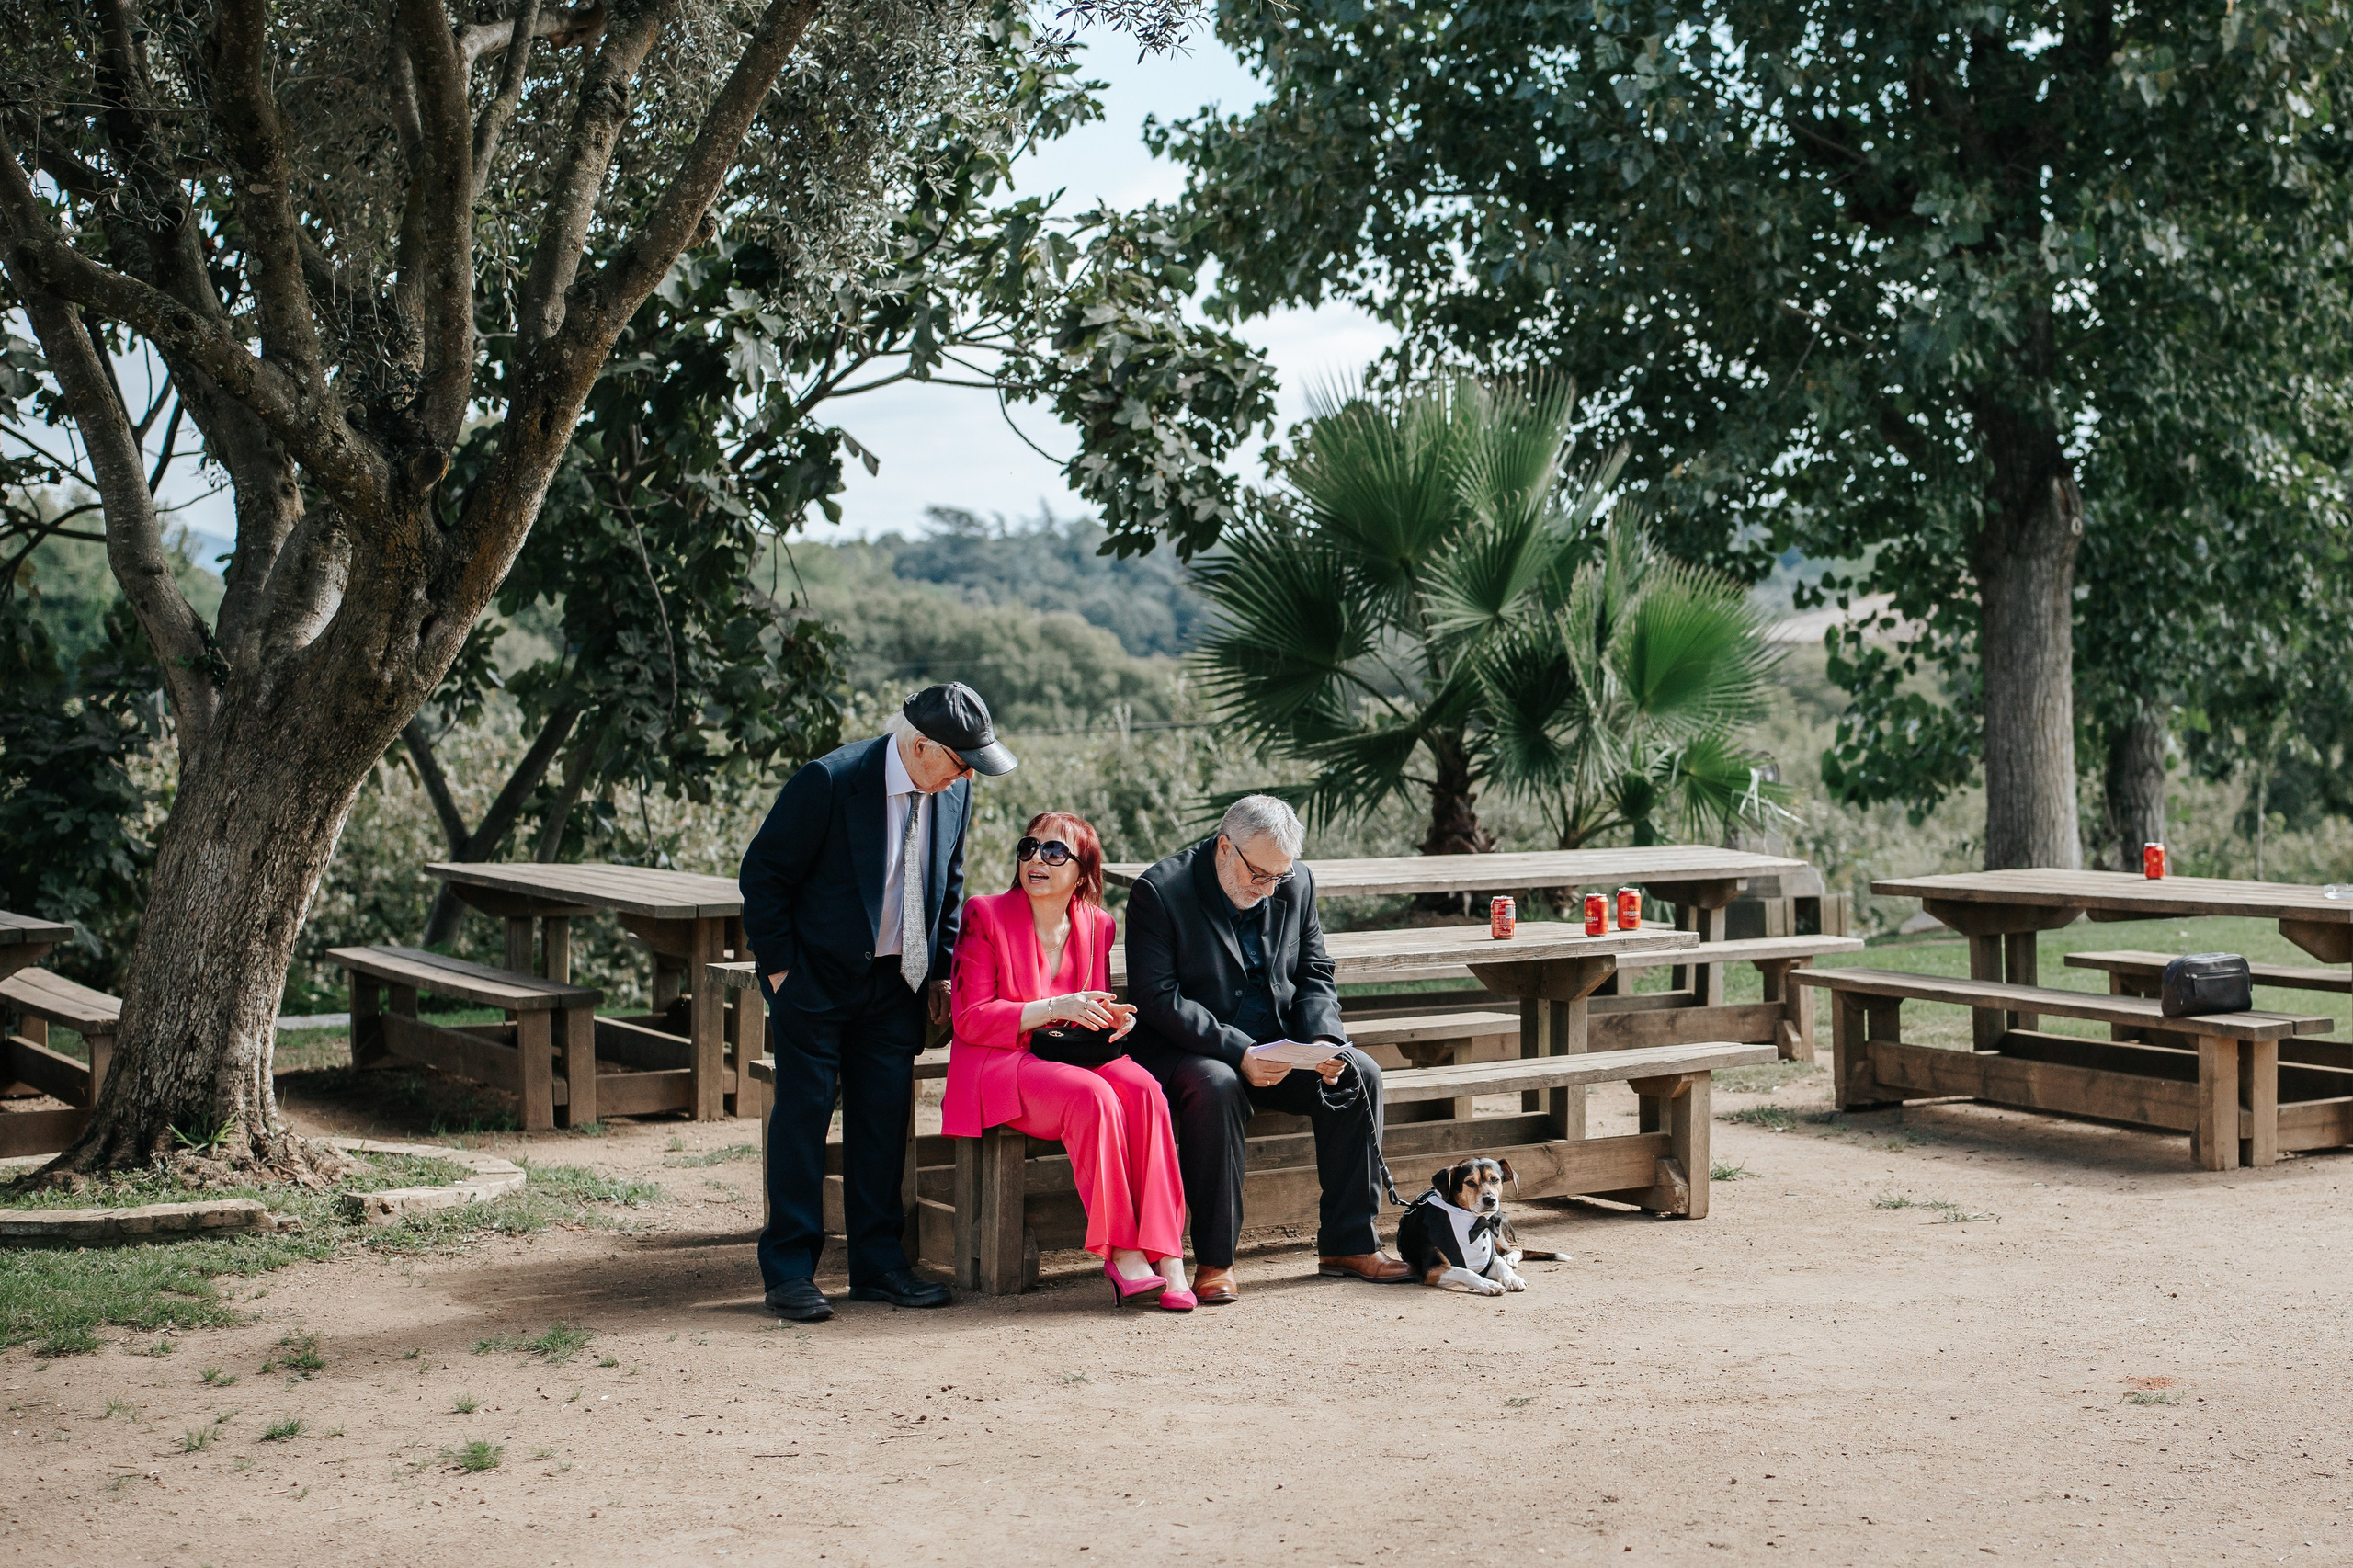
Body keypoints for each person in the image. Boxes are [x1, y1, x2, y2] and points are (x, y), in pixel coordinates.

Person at [740, 682, 1017, 1323]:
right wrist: (781, 972)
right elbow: (765, 875)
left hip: (898, 984)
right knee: (804, 1123)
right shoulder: (830, 781)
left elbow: (950, 883)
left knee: (883, 1126)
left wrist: (943, 973)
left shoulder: (954, 789)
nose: (962, 778)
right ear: (921, 747)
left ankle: (879, 1266)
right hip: (815, 982)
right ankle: (788, 1272)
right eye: (957, 763)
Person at [1122, 795, 1412, 1303]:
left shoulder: (1293, 880)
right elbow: (1158, 998)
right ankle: (1215, 1260)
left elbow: (1314, 973)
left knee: (1358, 1071)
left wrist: (1322, 1041)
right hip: (1195, 1049)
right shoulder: (1160, 891)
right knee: (1219, 1085)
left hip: (1283, 1042)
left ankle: (1348, 1244)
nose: (1269, 887)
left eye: (1279, 876)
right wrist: (1239, 1052)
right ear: (1224, 847)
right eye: (1260, 874)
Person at [946, 812, 1193, 1312]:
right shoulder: (985, 915)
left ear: (1082, 872)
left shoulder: (1098, 924)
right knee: (1095, 1096)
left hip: (1066, 1055)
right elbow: (970, 1017)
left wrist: (1112, 1017)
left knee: (1147, 1093)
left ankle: (1168, 1257)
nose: (1037, 859)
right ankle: (1123, 1254)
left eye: (1054, 852)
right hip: (1001, 1063)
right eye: (1028, 848)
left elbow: (1086, 1009)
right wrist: (1055, 1007)